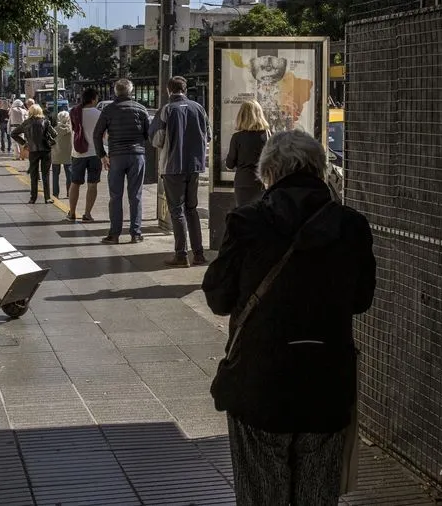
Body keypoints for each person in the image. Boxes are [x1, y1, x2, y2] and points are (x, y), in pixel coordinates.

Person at [202, 130, 376, 506]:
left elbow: (218, 297)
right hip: (327, 382)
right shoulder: (351, 225)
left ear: (268, 173)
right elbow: (362, 299)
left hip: (259, 380)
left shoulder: (246, 222)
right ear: (319, 169)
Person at [149, 76, 212, 267]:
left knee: (177, 211)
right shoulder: (198, 108)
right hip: (194, 166)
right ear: (185, 89)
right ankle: (199, 254)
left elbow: (156, 140)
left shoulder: (166, 110)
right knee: (191, 209)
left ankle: (181, 254)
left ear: (169, 90)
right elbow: (207, 136)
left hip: (173, 167)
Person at [93, 79, 150, 244]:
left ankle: (114, 234)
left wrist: (102, 155)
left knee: (115, 196)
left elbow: (97, 134)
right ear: (130, 92)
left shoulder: (109, 110)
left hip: (116, 156)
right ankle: (136, 233)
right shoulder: (141, 109)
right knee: (136, 195)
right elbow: (148, 133)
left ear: (115, 92)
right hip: (137, 155)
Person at [10, 104, 57, 204]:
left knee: (34, 175)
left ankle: (33, 198)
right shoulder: (45, 121)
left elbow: (13, 133)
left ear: (30, 112)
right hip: (45, 151)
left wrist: (24, 143)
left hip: (33, 151)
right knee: (46, 175)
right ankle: (47, 198)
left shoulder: (26, 123)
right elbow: (54, 134)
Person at [225, 100, 269, 207]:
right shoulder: (266, 135)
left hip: (243, 181)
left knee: (243, 216)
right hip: (260, 181)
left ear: (241, 116)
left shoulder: (237, 137)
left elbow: (229, 164)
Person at [68, 88, 102, 223]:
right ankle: (87, 214)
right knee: (92, 184)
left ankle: (72, 213)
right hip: (95, 153)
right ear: (93, 99)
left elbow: (73, 130)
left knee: (75, 183)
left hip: (78, 153)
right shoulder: (99, 114)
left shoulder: (74, 112)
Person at [51, 110, 73, 199]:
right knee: (69, 175)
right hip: (68, 154)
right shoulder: (71, 129)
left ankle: (55, 193)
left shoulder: (55, 129)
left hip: (56, 153)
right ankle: (69, 193)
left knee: (55, 175)